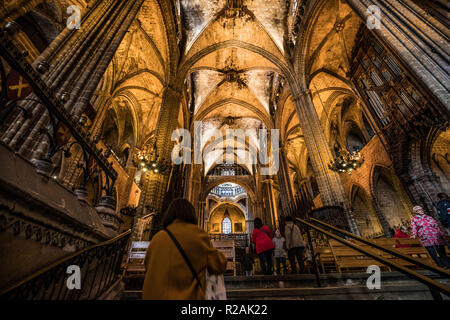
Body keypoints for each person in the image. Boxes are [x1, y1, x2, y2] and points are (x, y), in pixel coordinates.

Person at [142, 198, 227, 299]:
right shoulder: (197, 235)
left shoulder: (157, 238)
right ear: (191, 214)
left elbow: (147, 267)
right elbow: (219, 265)